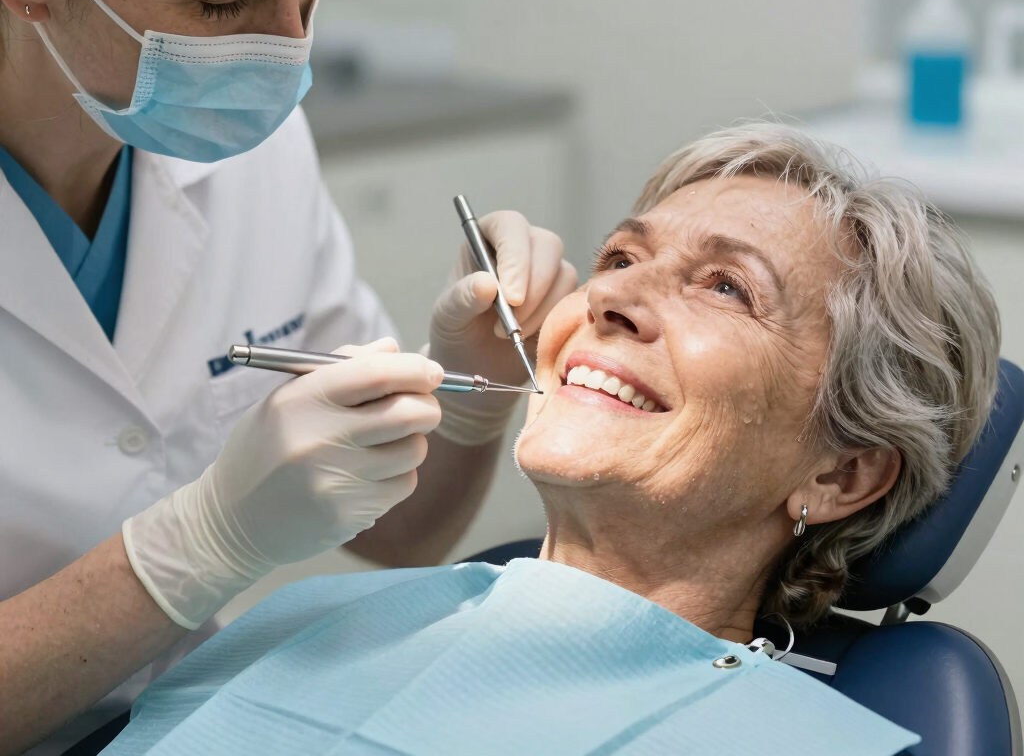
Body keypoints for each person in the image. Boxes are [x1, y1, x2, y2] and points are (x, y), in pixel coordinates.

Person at [0, 0, 576, 754]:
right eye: (223, 1)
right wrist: (194, 549)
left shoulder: (244, 144)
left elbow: (402, 534)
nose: (285, 49)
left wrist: (466, 393)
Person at [100, 124, 1000, 756]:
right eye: (620, 257)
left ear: (843, 474)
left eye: (726, 287)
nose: (611, 298)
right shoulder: (315, 622)